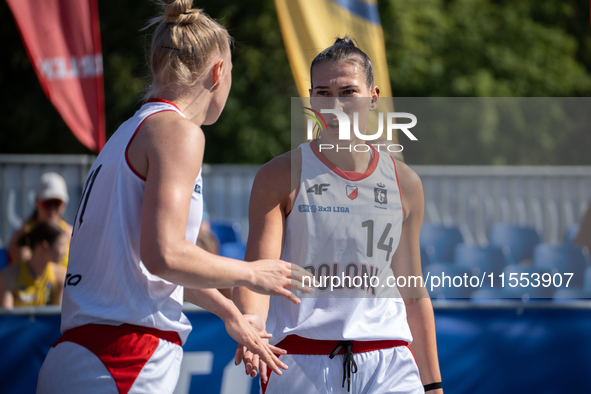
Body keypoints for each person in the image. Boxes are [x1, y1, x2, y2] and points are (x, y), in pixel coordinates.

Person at [36, 1, 311, 393]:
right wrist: (252, 272)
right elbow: (164, 254)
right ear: (219, 72)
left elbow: (151, 266)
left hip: (79, 354)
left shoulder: (126, 134)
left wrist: (228, 311)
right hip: (124, 358)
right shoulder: (179, 133)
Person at [234, 37, 443, 393]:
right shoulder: (279, 176)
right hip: (302, 361)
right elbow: (258, 274)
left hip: (389, 360)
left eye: (348, 92)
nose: (334, 104)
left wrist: (433, 384)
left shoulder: (404, 182)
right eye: (322, 93)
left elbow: (413, 292)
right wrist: (251, 324)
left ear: (373, 97)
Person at [7, 172, 72, 266]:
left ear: (64, 205)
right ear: (36, 203)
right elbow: (29, 270)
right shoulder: (22, 235)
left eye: (57, 203)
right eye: (47, 203)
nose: (52, 209)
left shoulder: (71, 234)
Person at [0, 221, 67, 308]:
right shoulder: (8, 277)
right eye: (61, 245)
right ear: (44, 246)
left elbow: (59, 319)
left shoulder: (61, 277)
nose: (65, 252)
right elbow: (6, 319)